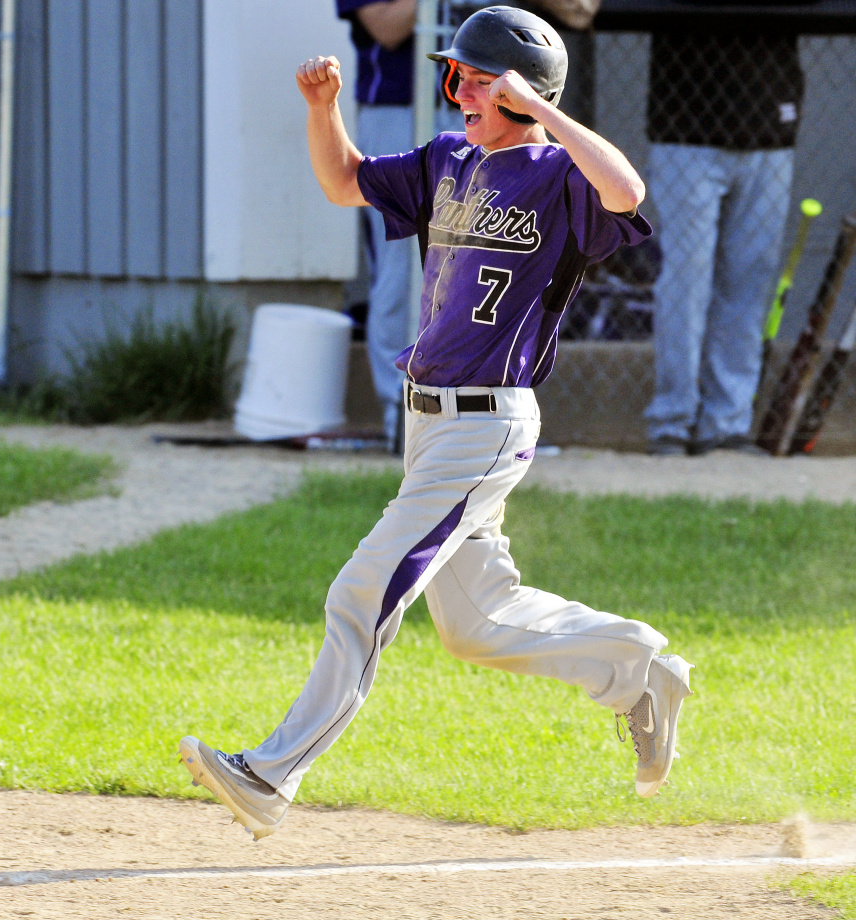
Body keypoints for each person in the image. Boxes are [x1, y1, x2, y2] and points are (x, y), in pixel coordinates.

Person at [179, 6, 693, 841]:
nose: (461, 93)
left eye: (480, 81)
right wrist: (323, 110)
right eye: (457, 77)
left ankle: (272, 775)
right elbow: (342, 180)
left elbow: (627, 193)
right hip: (429, 425)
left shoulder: (561, 176)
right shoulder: (448, 161)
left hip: (487, 422)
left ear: (527, 95)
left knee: (361, 589)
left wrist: (545, 110)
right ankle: (638, 670)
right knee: (477, 623)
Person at [643, 22, 803, 456]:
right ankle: (672, 420)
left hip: (768, 130)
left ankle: (727, 422)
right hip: (684, 131)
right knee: (686, 280)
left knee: (749, 281)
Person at [336, 0, 419, 451]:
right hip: (397, 111)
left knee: (473, 255)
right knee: (401, 261)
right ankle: (401, 415)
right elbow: (387, 27)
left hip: (480, 109)